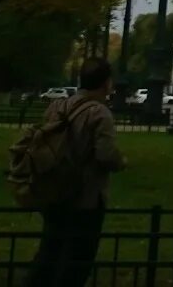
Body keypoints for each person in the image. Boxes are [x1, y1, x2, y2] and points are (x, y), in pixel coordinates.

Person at [28, 57, 125, 287]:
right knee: (78, 259)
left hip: (53, 189)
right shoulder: (100, 114)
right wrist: (122, 161)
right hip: (86, 196)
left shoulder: (57, 106)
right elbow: (105, 155)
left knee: (49, 253)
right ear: (106, 83)